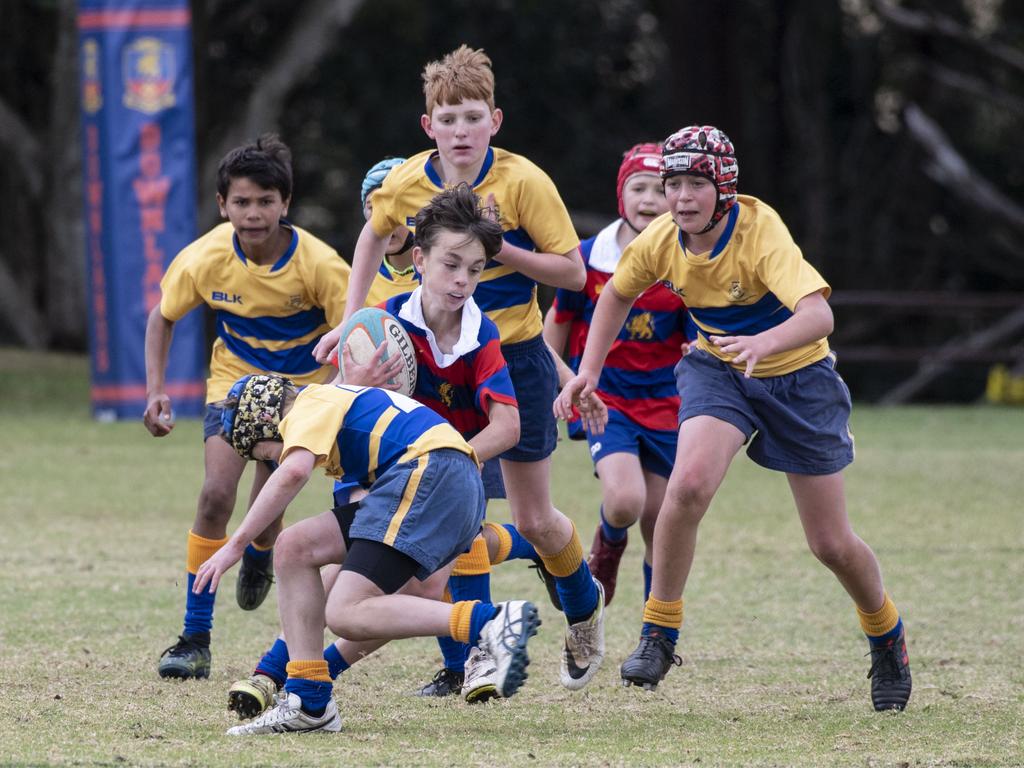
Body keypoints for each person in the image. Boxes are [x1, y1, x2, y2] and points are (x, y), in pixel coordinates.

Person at [556, 126, 912, 711]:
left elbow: (818, 315)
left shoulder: (758, 228)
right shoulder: (662, 240)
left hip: (800, 380)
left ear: (724, 187)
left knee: (829, 543)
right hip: (718, 371)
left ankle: (886, 635)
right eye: (673, 183)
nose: (681, 197)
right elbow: (616, 295)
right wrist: (588, 371)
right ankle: (659, 632)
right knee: (688, 485)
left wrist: (765, 343)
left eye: (696, 183)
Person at [312, 45, 606, 691]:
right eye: (448, 119)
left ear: (495, 120)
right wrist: (352, 317)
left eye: (473, 117)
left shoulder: (524, 181)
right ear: (429, 127)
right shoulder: (406, 181)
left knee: (533, 519)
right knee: (455, 515)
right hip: (428, 357)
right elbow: (370, 233)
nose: (461, 131)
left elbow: (573, 272)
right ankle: (467, 661)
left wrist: (499, 249)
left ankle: (583, 603)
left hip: (514, 356)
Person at [226, 184, 541, 716]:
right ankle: (293, 684)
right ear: (418, 261)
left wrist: (237, 543)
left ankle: (483, 629)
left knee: (355, 602)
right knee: (305, 554)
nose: (463, 279)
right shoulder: (383, 319)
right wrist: (360, 379)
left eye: (476, 268)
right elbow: (340, 396)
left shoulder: (479, 334)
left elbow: (506, 426)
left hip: (433, 472)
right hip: (394, 473)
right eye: (452, 265)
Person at [193, 373, 540, 735]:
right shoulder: (341, 412)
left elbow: (294, 471)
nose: (275, 462)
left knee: (344, 612)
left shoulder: (307, 405)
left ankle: (491, 623)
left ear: (267, 423)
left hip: (430, 472)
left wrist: (234, 547)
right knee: (295, 546)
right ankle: (309, 701)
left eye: (266, 455)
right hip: (448, 479)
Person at [143, 134, 350, 680]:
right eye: (241, 202)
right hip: (233, 387)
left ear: (285, 204)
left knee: (266, 519)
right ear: (222, 206)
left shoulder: (319, 265)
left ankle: (260, 551)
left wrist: (324, 397)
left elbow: (357, 332)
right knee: (215, 496)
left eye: (265, 201)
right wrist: (156, 389)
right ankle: (194, 638)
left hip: (301, 397)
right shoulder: (207, 257)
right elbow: (163, 317)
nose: (253, 213)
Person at [544, 142, 691, 606]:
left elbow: (696, 337)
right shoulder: (589, 259)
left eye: (659, 189)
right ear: (620, 196)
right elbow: (553, 331)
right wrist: (564, 379)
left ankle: (655, 627)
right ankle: (607, 545)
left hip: (669, 405)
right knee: (626, 501)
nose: (649, 199)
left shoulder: (687, 262)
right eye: (638, 187)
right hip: (606, 402)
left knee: (661, 520)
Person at [360, 157, 421, 307]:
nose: (385, 218)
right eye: (371, 207)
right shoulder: (357, 279)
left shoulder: (446, 271)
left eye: (395, 206)